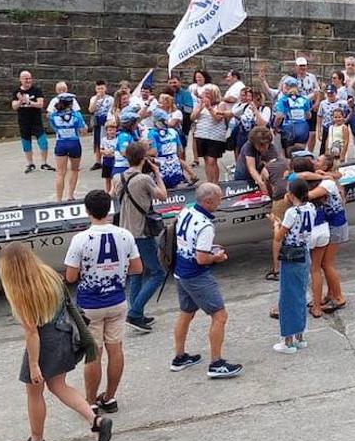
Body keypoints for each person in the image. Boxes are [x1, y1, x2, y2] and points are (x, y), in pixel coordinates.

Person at [1, 242, 114, 441]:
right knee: (59, 385)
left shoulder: (22, 291)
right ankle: (95, 421)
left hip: (45, 343)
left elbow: (32, 333)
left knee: (34, 391)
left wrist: (34, 364)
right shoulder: (49, 275)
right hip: (64, 334)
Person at [63, 189, 142, 413]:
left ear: (87, 210)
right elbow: (137, 268)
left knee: (93, 353)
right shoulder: (125, 234)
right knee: (115, 350)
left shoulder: (80, 239)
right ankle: (109, 397)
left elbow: (70, 276)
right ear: (109, 209)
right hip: (117, 299)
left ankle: (89, 402)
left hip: (90, 304)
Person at [171, 182, 242, 378]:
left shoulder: (186, 210)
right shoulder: (206, 225)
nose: (221, 202)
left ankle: (179, 356)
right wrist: (216, 257)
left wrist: (207, 247)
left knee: (186, 313)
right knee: (220, 316)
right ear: (209, 201)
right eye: (219, 199)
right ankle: (216, 363)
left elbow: (186, 239)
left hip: (180, 269)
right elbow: (201, 258)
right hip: (196, 275)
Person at [114, 141, 168, 333]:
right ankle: (135, 312)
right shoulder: (144, 179)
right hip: (141, 232)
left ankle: (136, 311)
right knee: (157, 273)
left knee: (136, 272)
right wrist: (158, 174)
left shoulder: (117, 178)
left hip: (124, 231)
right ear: (143, 158)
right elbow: (162, 195)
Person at [272, 178, 314, 355]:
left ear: (291, 194)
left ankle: (288, 340)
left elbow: (278, 237)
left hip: (291, 255)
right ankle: (300, 335)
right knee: (300, 293)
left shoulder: (291, 212)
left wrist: (276, 225)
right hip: (304, 252)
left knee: (288, 297)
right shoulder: (311, 208)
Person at [306, 154, 349, 315]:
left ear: (324, 167)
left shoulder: (327, 183)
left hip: (336, 226)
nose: (315, 160)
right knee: (324, 263)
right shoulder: (325, 177)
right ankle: (330, 294)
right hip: (333, 224)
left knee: (327, 263)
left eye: (318, 160)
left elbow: (309, 195)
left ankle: (338, 296)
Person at [12, 70, 51, 174]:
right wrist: (20, 101)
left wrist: (28, 101)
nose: (28, 80)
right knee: (26, 144)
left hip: (36, 121)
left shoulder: (37, 90)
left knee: (43, 142)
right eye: (25, 79)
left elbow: (40, 104)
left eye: (29, 78)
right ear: (20, 80)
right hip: (24, 122)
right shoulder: (16, 92)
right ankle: (30, 164)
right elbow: (14, 106)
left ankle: (44, 163)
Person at [49, 94, 85, 201]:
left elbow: (54, 128)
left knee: (60, 172)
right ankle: (70, 195)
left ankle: (59, 199)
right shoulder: (77, 115)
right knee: (74, 170)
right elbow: (83, 130)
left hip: (61, 143)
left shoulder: (53, 116)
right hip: (74, 143)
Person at [191, 83, 228, 184]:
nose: (206, 95)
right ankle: (209, 182)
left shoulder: (221, 104)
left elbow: (218, 118)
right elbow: (192, 117)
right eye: (205, 93)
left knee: (212, 160)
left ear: (214, 94)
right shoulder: (200, 103)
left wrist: (209, 108)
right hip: (202, 134)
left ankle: (215, 183)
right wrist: (200, 108)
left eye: (209, 93)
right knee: (207, 160)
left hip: (215, 136)